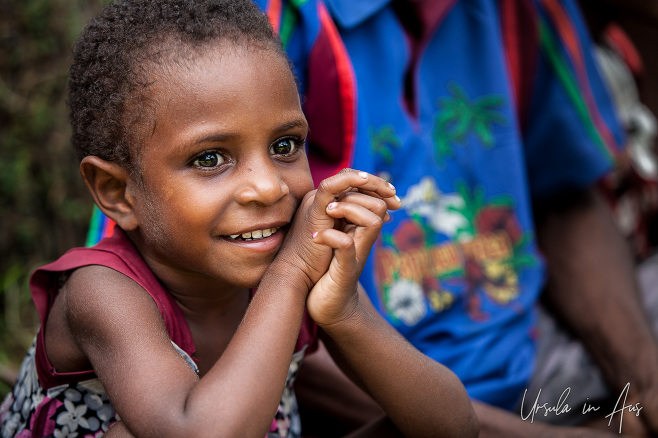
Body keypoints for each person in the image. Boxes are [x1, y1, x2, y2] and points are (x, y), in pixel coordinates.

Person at [0, 1, 480, 437]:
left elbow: (454, 427)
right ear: (118, 192)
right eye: (210, 159)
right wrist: (291, 275)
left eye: (284, 146)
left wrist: (344, 311)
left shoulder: (290, 260)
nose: (269, 187)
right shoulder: (101, 292)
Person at [244, 0, 658, 436]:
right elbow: (261, 326)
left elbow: (563, 195)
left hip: (540, 361)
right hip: (385, 401)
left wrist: (645, 383)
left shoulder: (523, 11)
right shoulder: (268, 22)